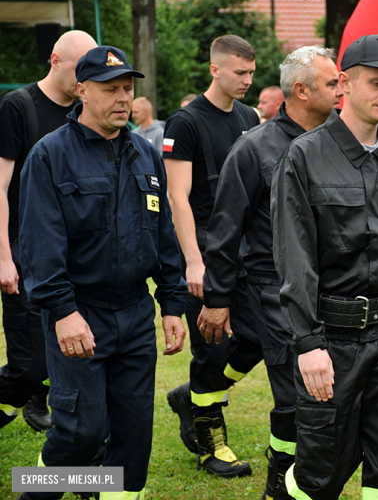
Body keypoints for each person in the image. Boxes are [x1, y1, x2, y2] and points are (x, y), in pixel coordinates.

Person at [272, 34, 378, 500]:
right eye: (377, 82)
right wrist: (308, 344)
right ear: (344, 83)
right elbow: (295, 257)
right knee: (319, 476)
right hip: (333, 342)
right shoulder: (305, 156)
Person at [16, 45, 187, 500]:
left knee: (133, 437)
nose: (122, 98)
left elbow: (163, 233)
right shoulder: (50, 155)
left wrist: (172, 303)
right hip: (79, 313)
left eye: (128, 89)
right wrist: (63, 311)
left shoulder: (144, 156)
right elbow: (39, 242)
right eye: (111, 89)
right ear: (82, 90)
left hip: (133, 315)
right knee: (81, 432)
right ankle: (40, 492)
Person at [198, 45, 342, 499]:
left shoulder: (339, 140)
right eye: (333, 83)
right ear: (300, 90)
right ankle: (280, 482)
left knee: (324, 395)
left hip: (330, 287)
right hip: (272, 288)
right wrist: (218, 300)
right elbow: (225, 230)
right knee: (296, 396)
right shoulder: (255, 148)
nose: (342, 91)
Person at [163, 34, 260, 478]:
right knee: (211, 350)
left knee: (259, 337)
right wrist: (194, 262)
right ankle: (210, 444)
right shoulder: (184, 123)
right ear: (214, 70)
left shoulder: (251, 116)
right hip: (205, 249)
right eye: (239, 72)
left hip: (247, 248)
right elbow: (178, 198)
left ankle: (191, 397)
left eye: (251, 73)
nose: (247, 80)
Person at [0, 30, 97, 433]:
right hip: (25, 248)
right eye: (78, 70)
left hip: (75, 255)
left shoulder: (87, 109)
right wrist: (5, 257)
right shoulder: (19, 107)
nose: (83, 82)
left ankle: (75, 452)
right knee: (30, 363)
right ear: (54, 60)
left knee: (72, 354)